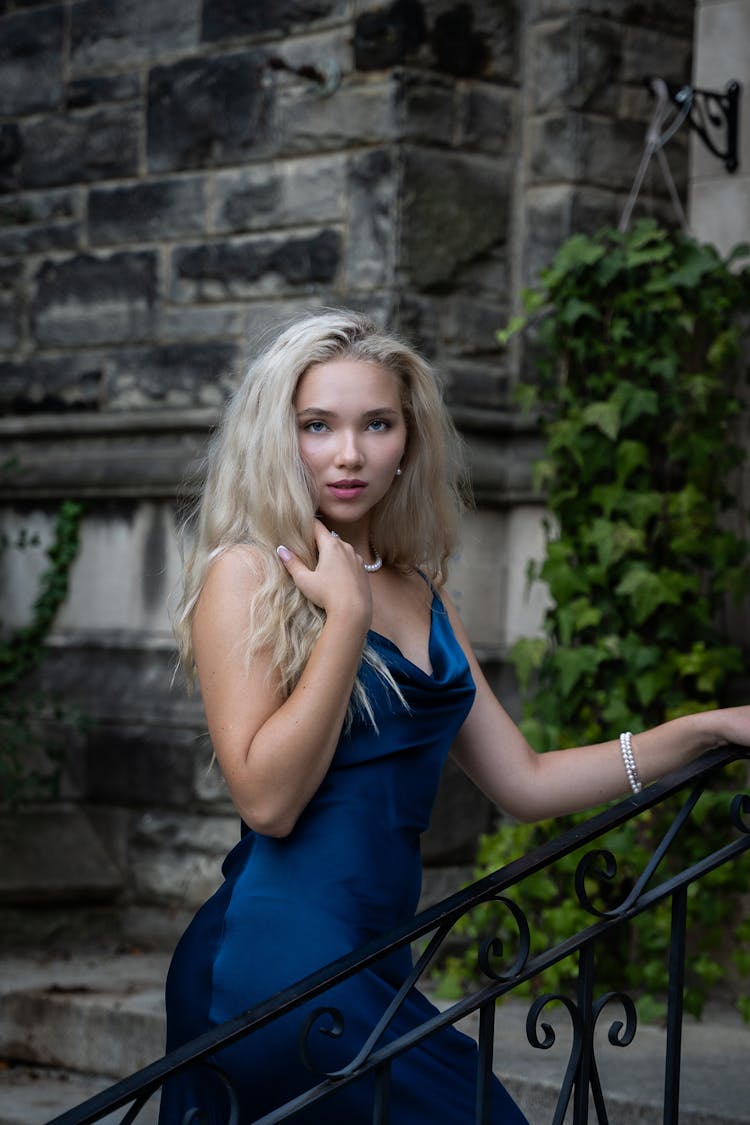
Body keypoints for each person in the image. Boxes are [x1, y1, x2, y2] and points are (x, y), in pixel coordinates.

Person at [158, 309, 750, 1124]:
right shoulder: (250, 573)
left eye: (377, 424)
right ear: (278, 435)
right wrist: (346, 621)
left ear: (409, 441)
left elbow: (527, 781)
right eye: (317, 425)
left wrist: (708, 729)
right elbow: (267, 800)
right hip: (272, 965)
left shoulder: (419, 590)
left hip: (375, 965)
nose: (350, 453)